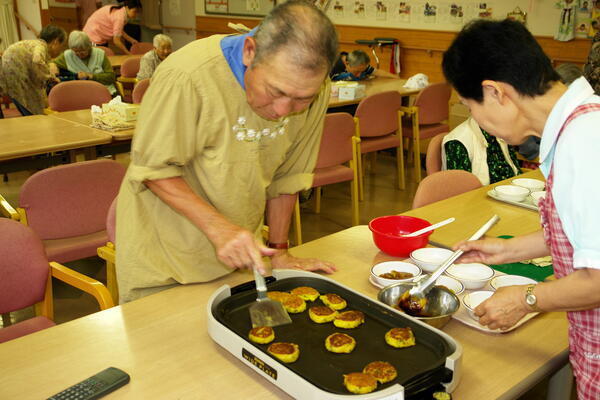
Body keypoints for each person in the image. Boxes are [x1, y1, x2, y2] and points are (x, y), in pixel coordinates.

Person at [116, 0, 338, 303]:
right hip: (166, 264)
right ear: (250, 51)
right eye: (276, 91)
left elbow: (288, 176)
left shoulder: (316, 89)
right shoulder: (187, 77)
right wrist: (219, 228)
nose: (285, 110)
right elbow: (154, 170)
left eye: (302, 99)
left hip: (241, 260)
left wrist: (280, 251)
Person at [443, 19, 600, 399]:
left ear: (495, 92)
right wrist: (508, 249)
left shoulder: (585, 142)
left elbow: (597, 279)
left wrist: (526, 299)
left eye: (468, 106)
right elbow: (580, 233)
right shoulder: (578, 126)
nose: (476, 121)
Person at [0, 25, 66, 115]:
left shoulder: (35, 43)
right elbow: (37, 60)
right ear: (56, 42)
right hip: (15, 73)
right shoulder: (41, 46)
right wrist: (50, 77)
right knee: (31, 104)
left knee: (28, 101)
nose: (61, 50)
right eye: (62, 46)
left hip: (10, 72)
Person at [442, 117, 521, 185]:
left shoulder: (500, 129)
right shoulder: (457, 142)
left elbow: (514, 169)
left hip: (511, 190)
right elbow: (461, 189)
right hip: (480, 198)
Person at [50, 30, 116, 95]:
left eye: (82, 51)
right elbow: (52, 63)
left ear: (89, 46)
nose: (79, 54)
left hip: (102, 90)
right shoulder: (68, 55)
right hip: (79, 92)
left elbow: (111, 77)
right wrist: (52, 65)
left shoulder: (100, 54)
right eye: (76, 51)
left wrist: (91, 76)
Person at [330, 50, 398, 81]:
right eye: (357, 71)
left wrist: (395, 77)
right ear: (347, 64)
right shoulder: (332, 66)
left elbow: (377, 72)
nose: (359, 74)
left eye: (362, 71)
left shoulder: (360, 64)